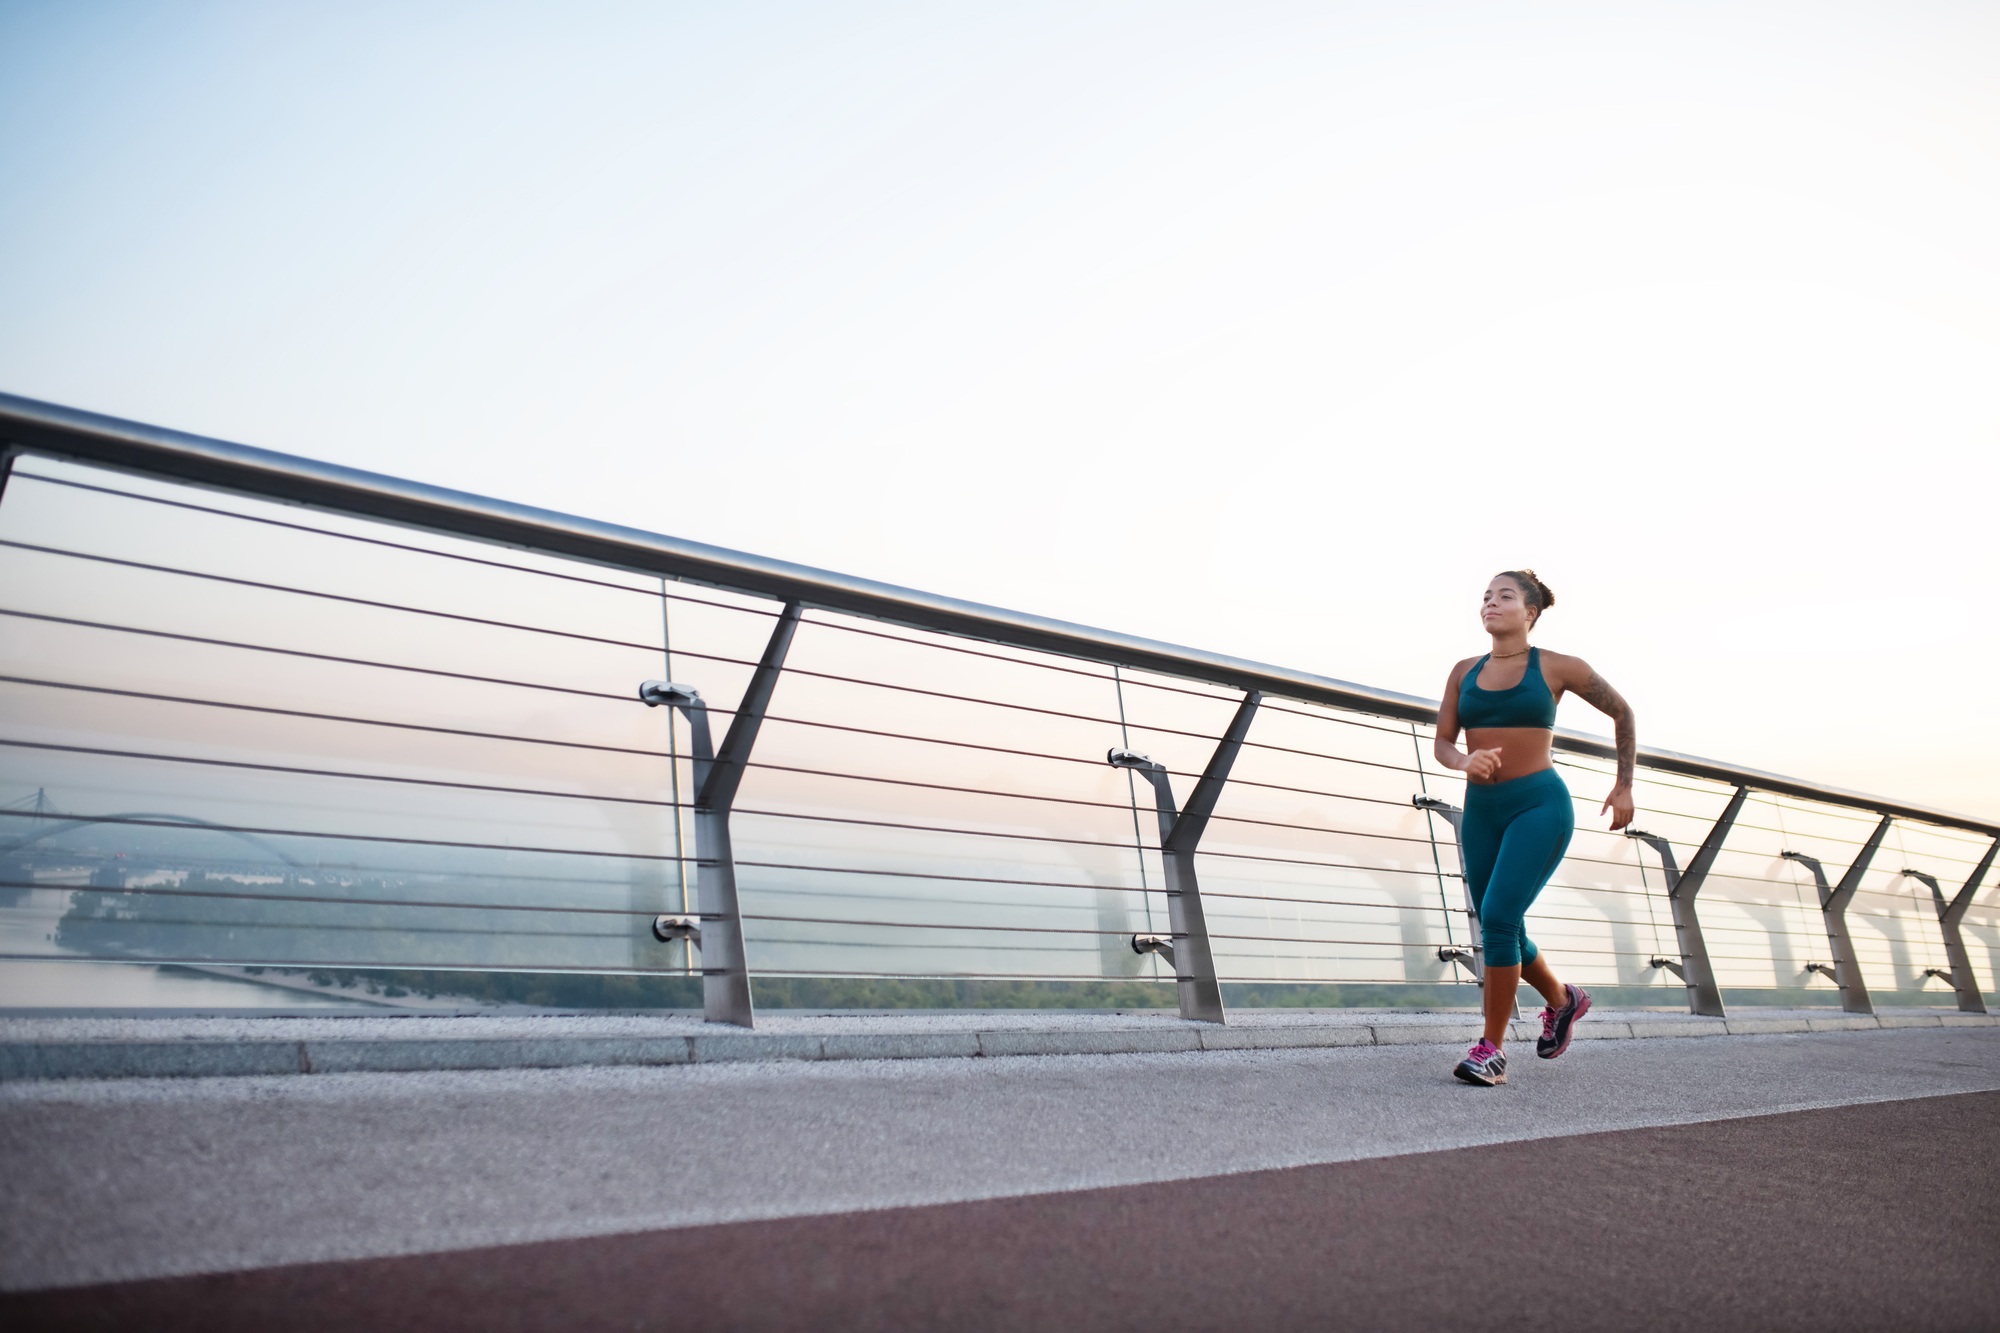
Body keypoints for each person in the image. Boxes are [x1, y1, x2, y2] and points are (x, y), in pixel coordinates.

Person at [1432, 570, 1635, 1086]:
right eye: (1485, 596)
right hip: (1482, 811)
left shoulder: (1560, 667)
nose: (1490, 603)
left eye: (1504, 596)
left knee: (1499, 918)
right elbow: (1443, 743)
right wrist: (1464, 762)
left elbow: (1622, 713)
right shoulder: (1463, 671)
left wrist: (1623, 786)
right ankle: (1564, 1001)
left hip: (1539, 806)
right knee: (1502, 923)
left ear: (1530, 612)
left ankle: (1491, 1051)